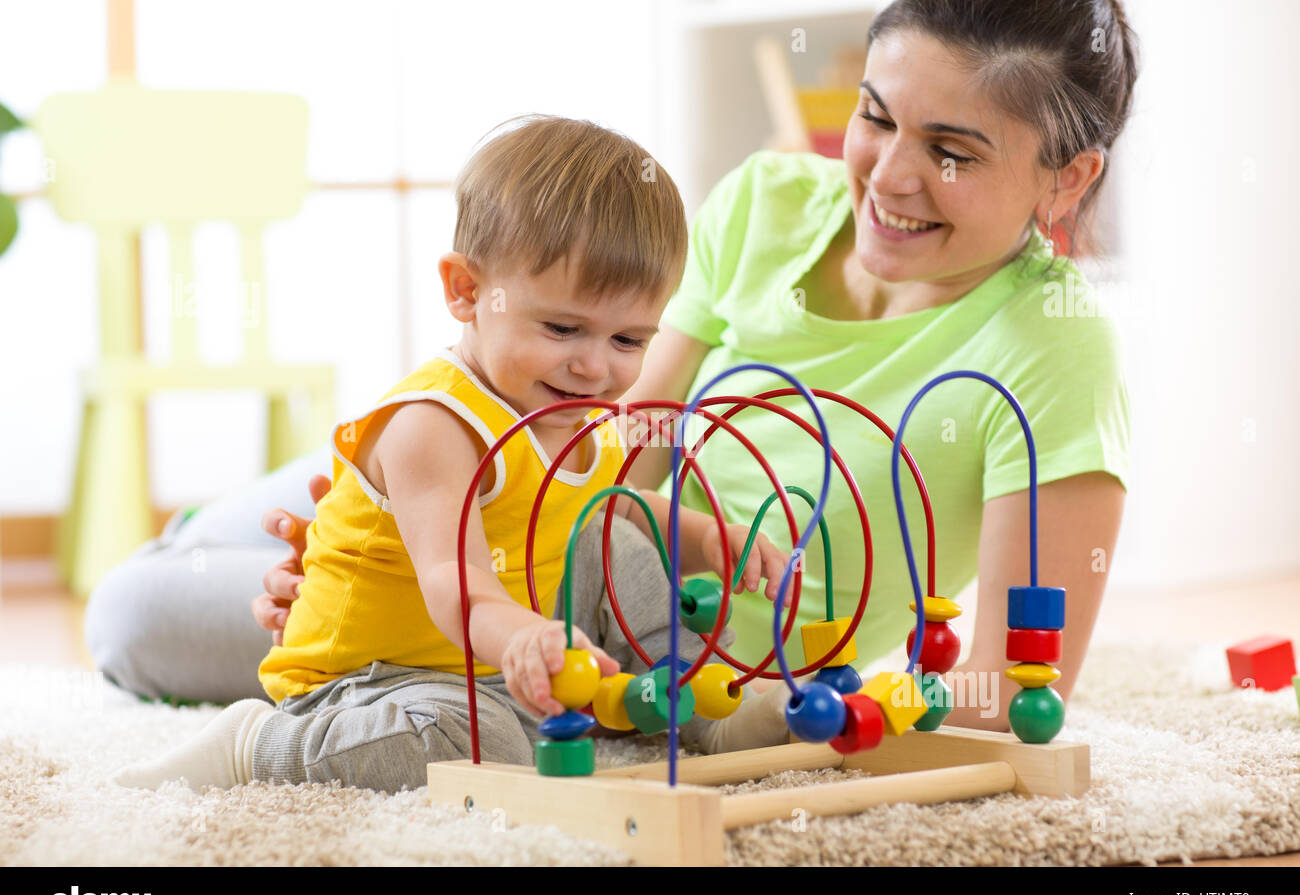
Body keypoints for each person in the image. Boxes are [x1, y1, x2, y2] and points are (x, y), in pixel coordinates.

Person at [90, 0, 1139, 738]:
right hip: (496, 478)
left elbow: (1006, 686)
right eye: (873, 114)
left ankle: (238, 551)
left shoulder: (1050, 346)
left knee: (129, 613)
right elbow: (618, 430)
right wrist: (397, 550)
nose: (887, 177)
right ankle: (234, 536)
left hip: (584, 594)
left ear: (1068, 176)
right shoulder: (774, 199)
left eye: (951, 150)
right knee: (245, 548)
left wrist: (830, 703)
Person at [110, 115, 795, 795]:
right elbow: (452, 582)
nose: (595, 367)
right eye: (563, 328)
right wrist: (525, 635)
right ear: (466, 291)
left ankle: (701, 712)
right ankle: (257, 745)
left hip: (503, 656)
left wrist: (708, 537)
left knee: (618, 536)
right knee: (478, 744)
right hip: (381, 677)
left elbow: (608, 506)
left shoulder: (580, 414)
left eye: (628, 341)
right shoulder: (434, 425)